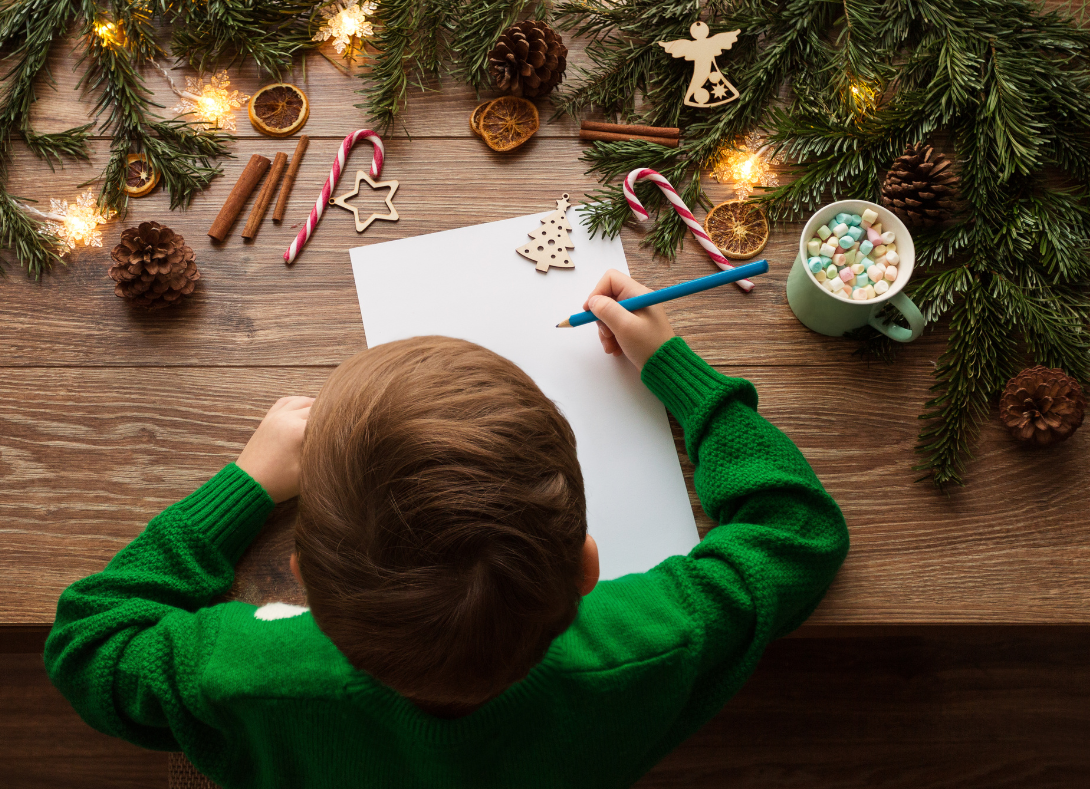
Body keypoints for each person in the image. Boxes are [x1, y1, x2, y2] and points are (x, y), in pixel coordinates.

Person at [45, 269, 849, 789]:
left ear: (301, 579)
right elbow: (794, 534)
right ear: (586, 568)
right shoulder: (650, 641)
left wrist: (246, 484)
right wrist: (677, 370)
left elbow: (89, 643)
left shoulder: (244, 671)